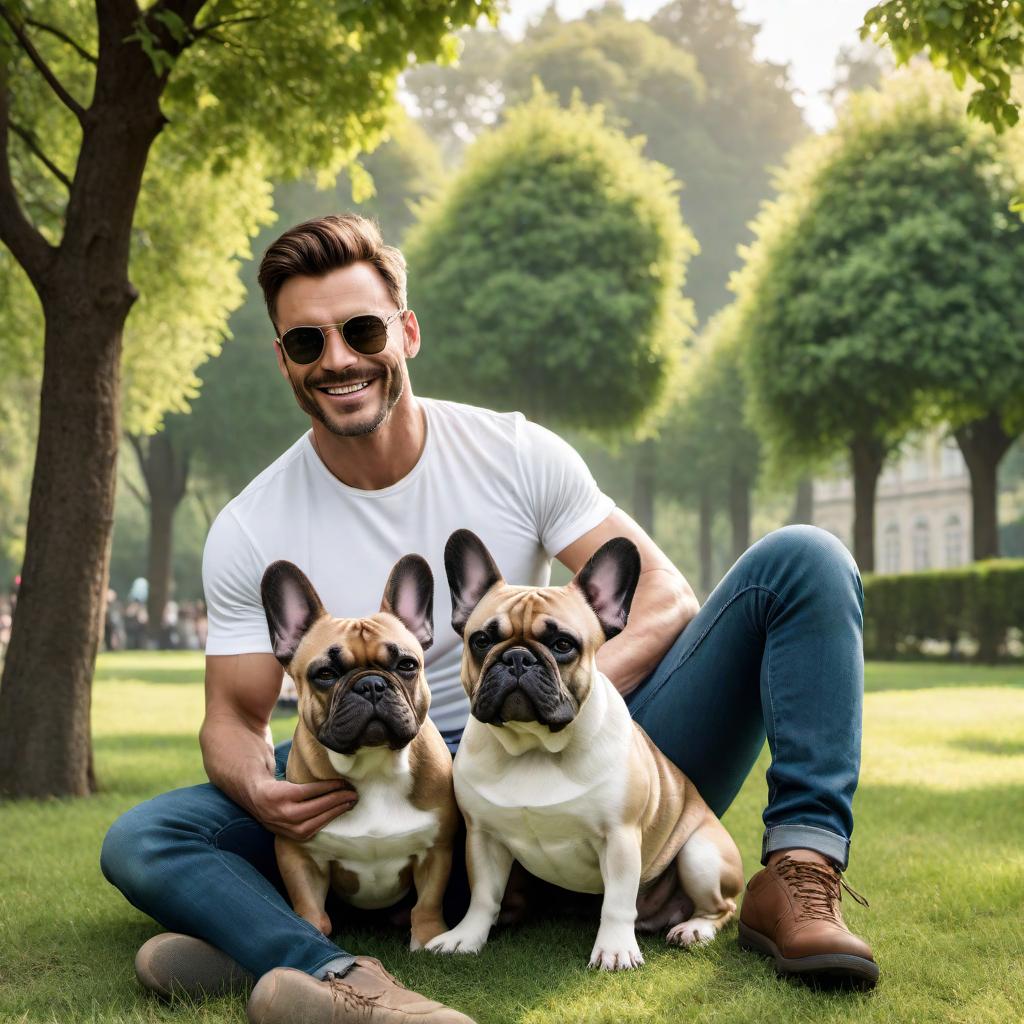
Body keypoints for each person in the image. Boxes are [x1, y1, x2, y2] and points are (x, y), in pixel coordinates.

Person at [101, 214, 877, 1024]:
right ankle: (318, 961)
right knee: (144, 839)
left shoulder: (514, 453)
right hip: (373, 781)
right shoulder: (252, 526)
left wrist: (557, 703)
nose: (337, 359)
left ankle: (798, 876)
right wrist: (259, 790)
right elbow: (231, 717)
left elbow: (663, 599)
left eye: (361, 330)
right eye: (307, 343)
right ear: (284, 360)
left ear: (407, 331)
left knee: (804, 559)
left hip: (588, 760)